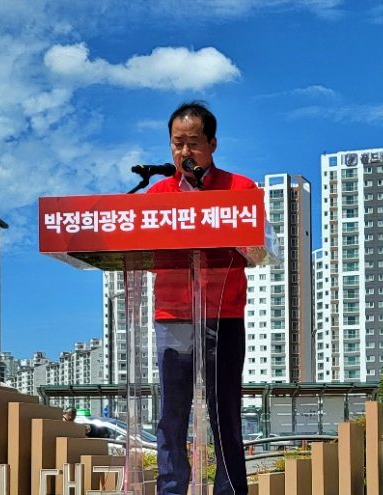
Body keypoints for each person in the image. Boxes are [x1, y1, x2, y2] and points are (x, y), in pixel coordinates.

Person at [147, 101, 254, 495]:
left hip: (222, 314)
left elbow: (257, 246)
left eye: (193, 142)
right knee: (171, 414)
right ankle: (171, 488)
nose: (184, 152)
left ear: (212, 143)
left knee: (224, 411)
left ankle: (229, 490)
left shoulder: (240, 188)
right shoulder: (157, 193)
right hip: (172, 314)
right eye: (177, 144)